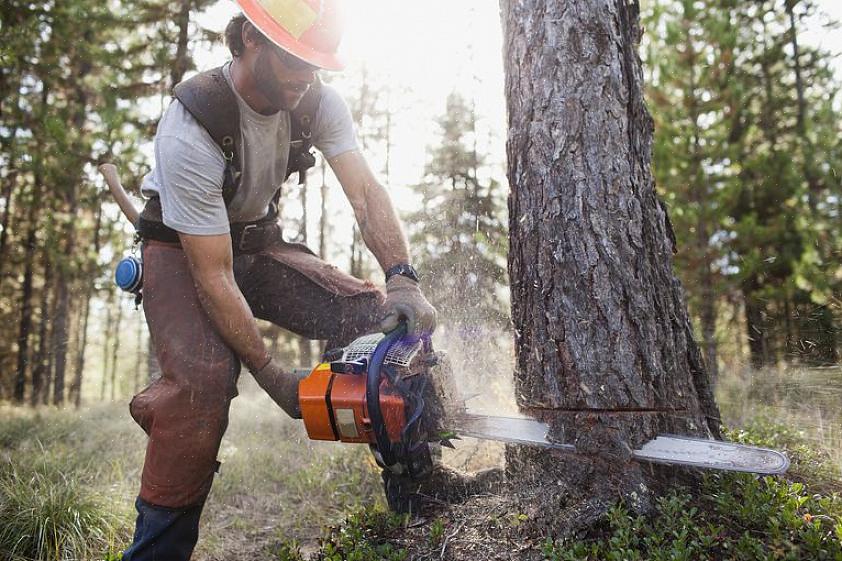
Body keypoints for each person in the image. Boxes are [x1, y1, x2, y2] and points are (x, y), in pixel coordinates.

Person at [122, 1, 436, 559]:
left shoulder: (315, 100)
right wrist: (268, 373)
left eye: (315, 64)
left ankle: (421, 492)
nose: (305, 77)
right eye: (294, 59)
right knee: (202, 388)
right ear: (247, 40)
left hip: (255, 241)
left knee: (377, 318)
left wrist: (402, 278)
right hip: (180, 250)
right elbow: (213, 272)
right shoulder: (193, 122)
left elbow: (364, 192)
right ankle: (156, 551)